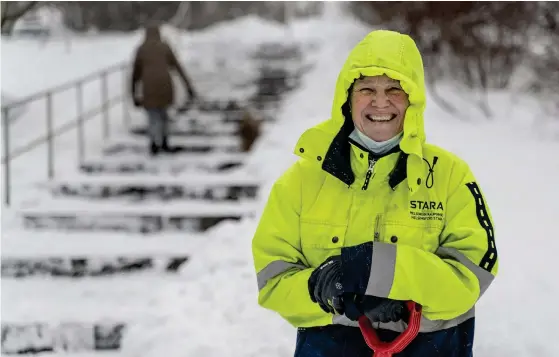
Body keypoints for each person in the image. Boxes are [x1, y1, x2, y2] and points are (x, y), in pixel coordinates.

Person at [252, 30, 498, 356]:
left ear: (413, 100)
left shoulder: (450, 177)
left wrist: (383, 274)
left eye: (395, 89)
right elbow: (272, 279)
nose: (380, 102)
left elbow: (472, 277)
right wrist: (321, 288)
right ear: (347, 97)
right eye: (366, 89)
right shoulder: (300, 181)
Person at [131, 25, 197, 156]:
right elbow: (178, 67)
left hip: (148, 88)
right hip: (165, 86)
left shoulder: (141, 50)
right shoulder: (165, 47)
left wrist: (133, 93)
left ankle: (154, 144)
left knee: (152, 117)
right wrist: (189, 87)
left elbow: (135, 75)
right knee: (164, 115)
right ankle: (165, 143)